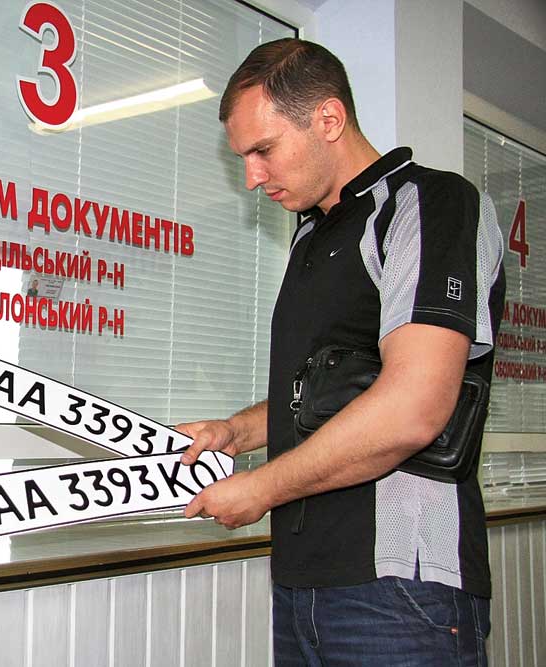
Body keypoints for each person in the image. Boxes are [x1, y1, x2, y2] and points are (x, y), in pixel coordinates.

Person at [178, 38, 505, 665]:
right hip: (303, 583)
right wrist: (236, 432)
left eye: (263, 150)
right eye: (243, 158)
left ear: (329, 118)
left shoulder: (431, 205)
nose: (252, 177)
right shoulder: (312, 234)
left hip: (401, 588)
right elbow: (326, 390)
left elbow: (413, 406)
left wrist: (261, 487)